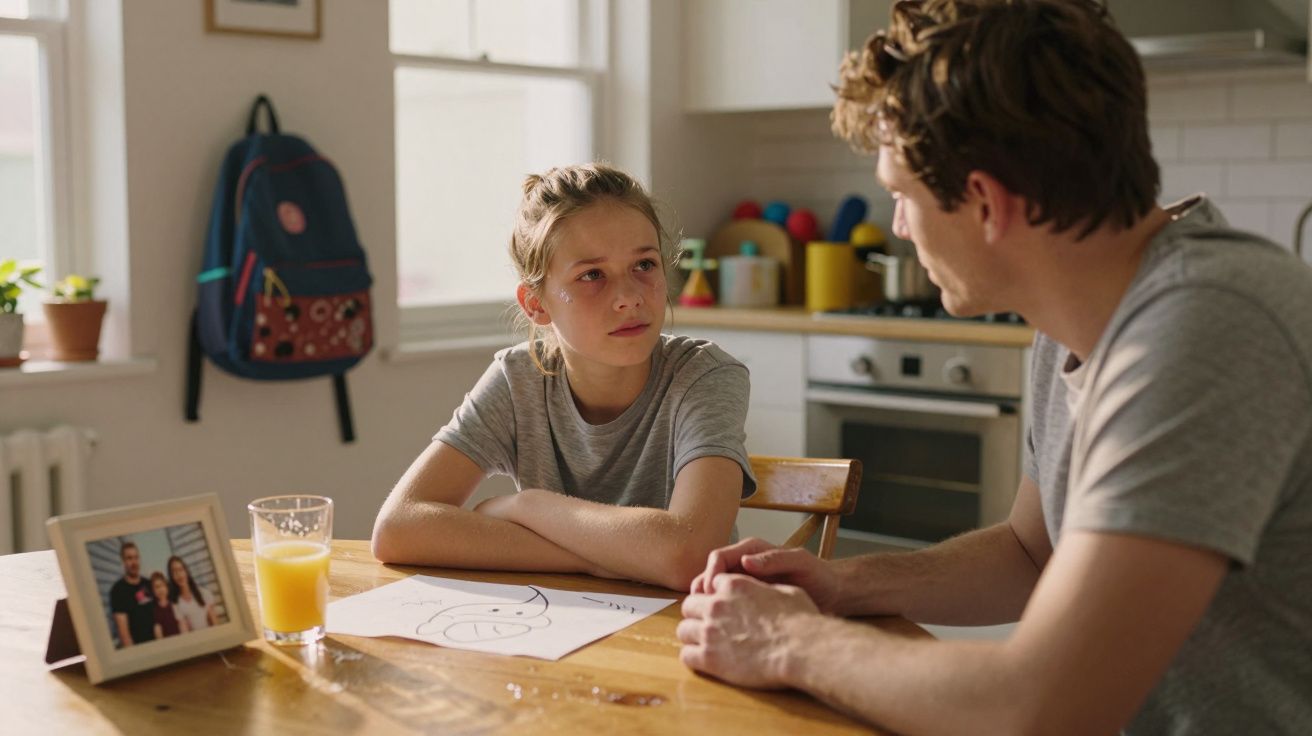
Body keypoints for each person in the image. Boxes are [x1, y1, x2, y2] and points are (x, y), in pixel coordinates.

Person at [677, 1, 1312, 733]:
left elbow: (1040, 705)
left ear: (984, 202)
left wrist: (787, 640)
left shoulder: (1205, 328)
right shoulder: (1078, 314)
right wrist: (840, 584)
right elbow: (1030, 552)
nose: (898, 225)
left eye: (901, 194)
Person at [371, 163, 755, 591]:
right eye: (592, 275)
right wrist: (602, 560)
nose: (629, 297)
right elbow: (398, 528)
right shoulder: (519, 379)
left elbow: (691, 556)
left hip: (687, 622)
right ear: (536, 304)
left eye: (644, 264)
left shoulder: (705, 375)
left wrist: (530, 507)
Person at [108, 541, 155, 647]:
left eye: (136, 558)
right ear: (123, 561)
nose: (134, 562)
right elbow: (124, 634)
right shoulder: (117, 591)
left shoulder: (148, 584)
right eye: (129, 558)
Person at [168, 555, 217, 631]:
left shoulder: (204, 593)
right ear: (172, 577)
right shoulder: (175, 603)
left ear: (186, 571)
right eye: (174, 572)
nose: (179, 575)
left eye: (180, 570)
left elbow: (215, 623)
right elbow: (184, 629)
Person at [149, 571, 188, 639]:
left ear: (167, 587)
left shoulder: (175, 606)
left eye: (162, 585)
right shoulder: (154, 611)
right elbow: (158, 632)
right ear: (153, 591)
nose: (160, 589)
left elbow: (183, 627)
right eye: (157, 587)